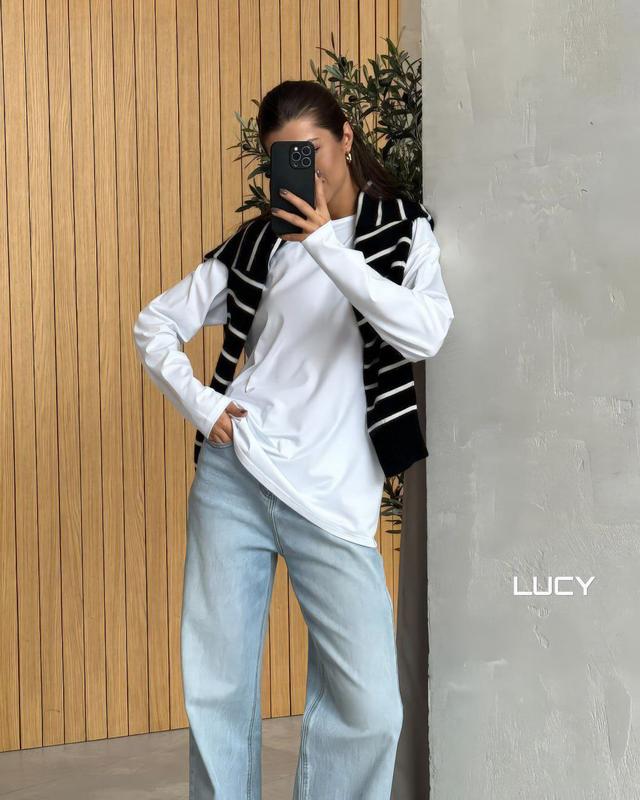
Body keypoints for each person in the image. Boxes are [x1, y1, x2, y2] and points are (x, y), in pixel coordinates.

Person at [133, 79, 454, 800]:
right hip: (236, 478)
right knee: (218, 691)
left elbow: (425, 333)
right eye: (284, 158)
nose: (304, 171)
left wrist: (326, 246)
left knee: (370, 711)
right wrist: (201, 403)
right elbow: (154, 324)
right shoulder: (260, 243)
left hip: (332, 498)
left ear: (345, 139)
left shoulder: (403, 232)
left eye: (312, 152)